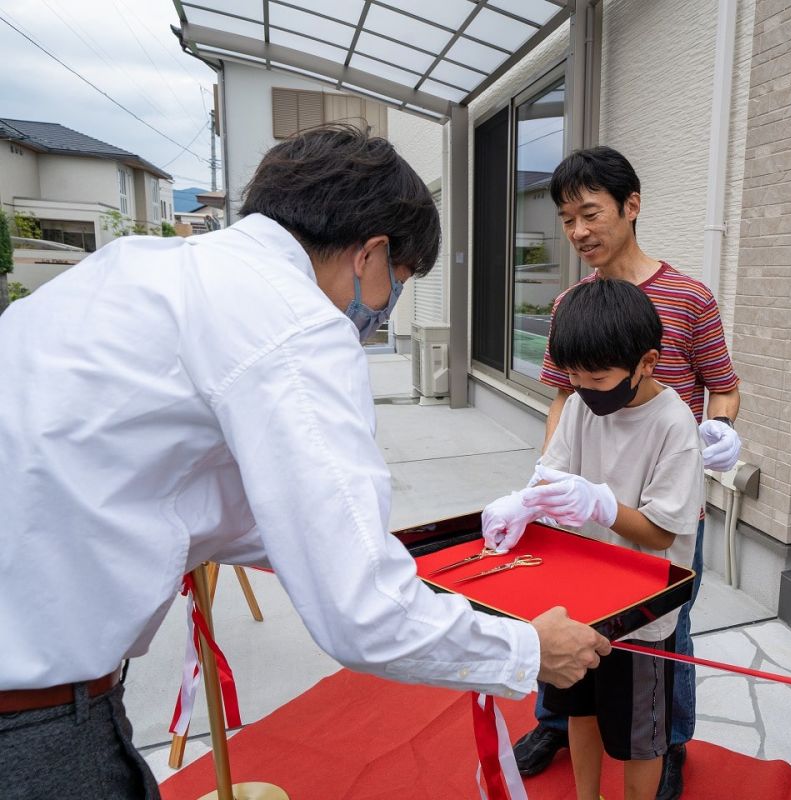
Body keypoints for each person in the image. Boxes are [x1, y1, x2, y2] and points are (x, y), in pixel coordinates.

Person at [0, 125, 609, 800]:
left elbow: (204, 502)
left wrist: (392, 558)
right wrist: (527, 650)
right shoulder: (297, 325)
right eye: (398, 283)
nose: (382, 311)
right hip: (34, 721)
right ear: (371, 254)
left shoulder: (137, 268)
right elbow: (362, 615)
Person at [512, 145, 741, 800]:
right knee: (572, 631)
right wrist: (549, 486)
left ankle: (665, 746)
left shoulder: (689, 298)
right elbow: (563, 398)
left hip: (661, 508)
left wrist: (721, 430)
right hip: (590, 508)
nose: (580, 231)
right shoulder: (569, 306)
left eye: (590, 213)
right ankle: (558, 723)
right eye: (566, 219)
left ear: (631, 206)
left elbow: (723, 386)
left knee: (660, 645)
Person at [481, 278, 704, 800]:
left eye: (598, 377)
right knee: (579, 708)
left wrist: (602, 504)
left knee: (639, 740)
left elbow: (662, 529)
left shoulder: (673, 425)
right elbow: (552, 473)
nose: (585, 389)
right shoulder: (583, 404)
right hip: (580, 594)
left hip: (643, 609)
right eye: (575, 378)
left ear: (647, 362)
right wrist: (523, 503)